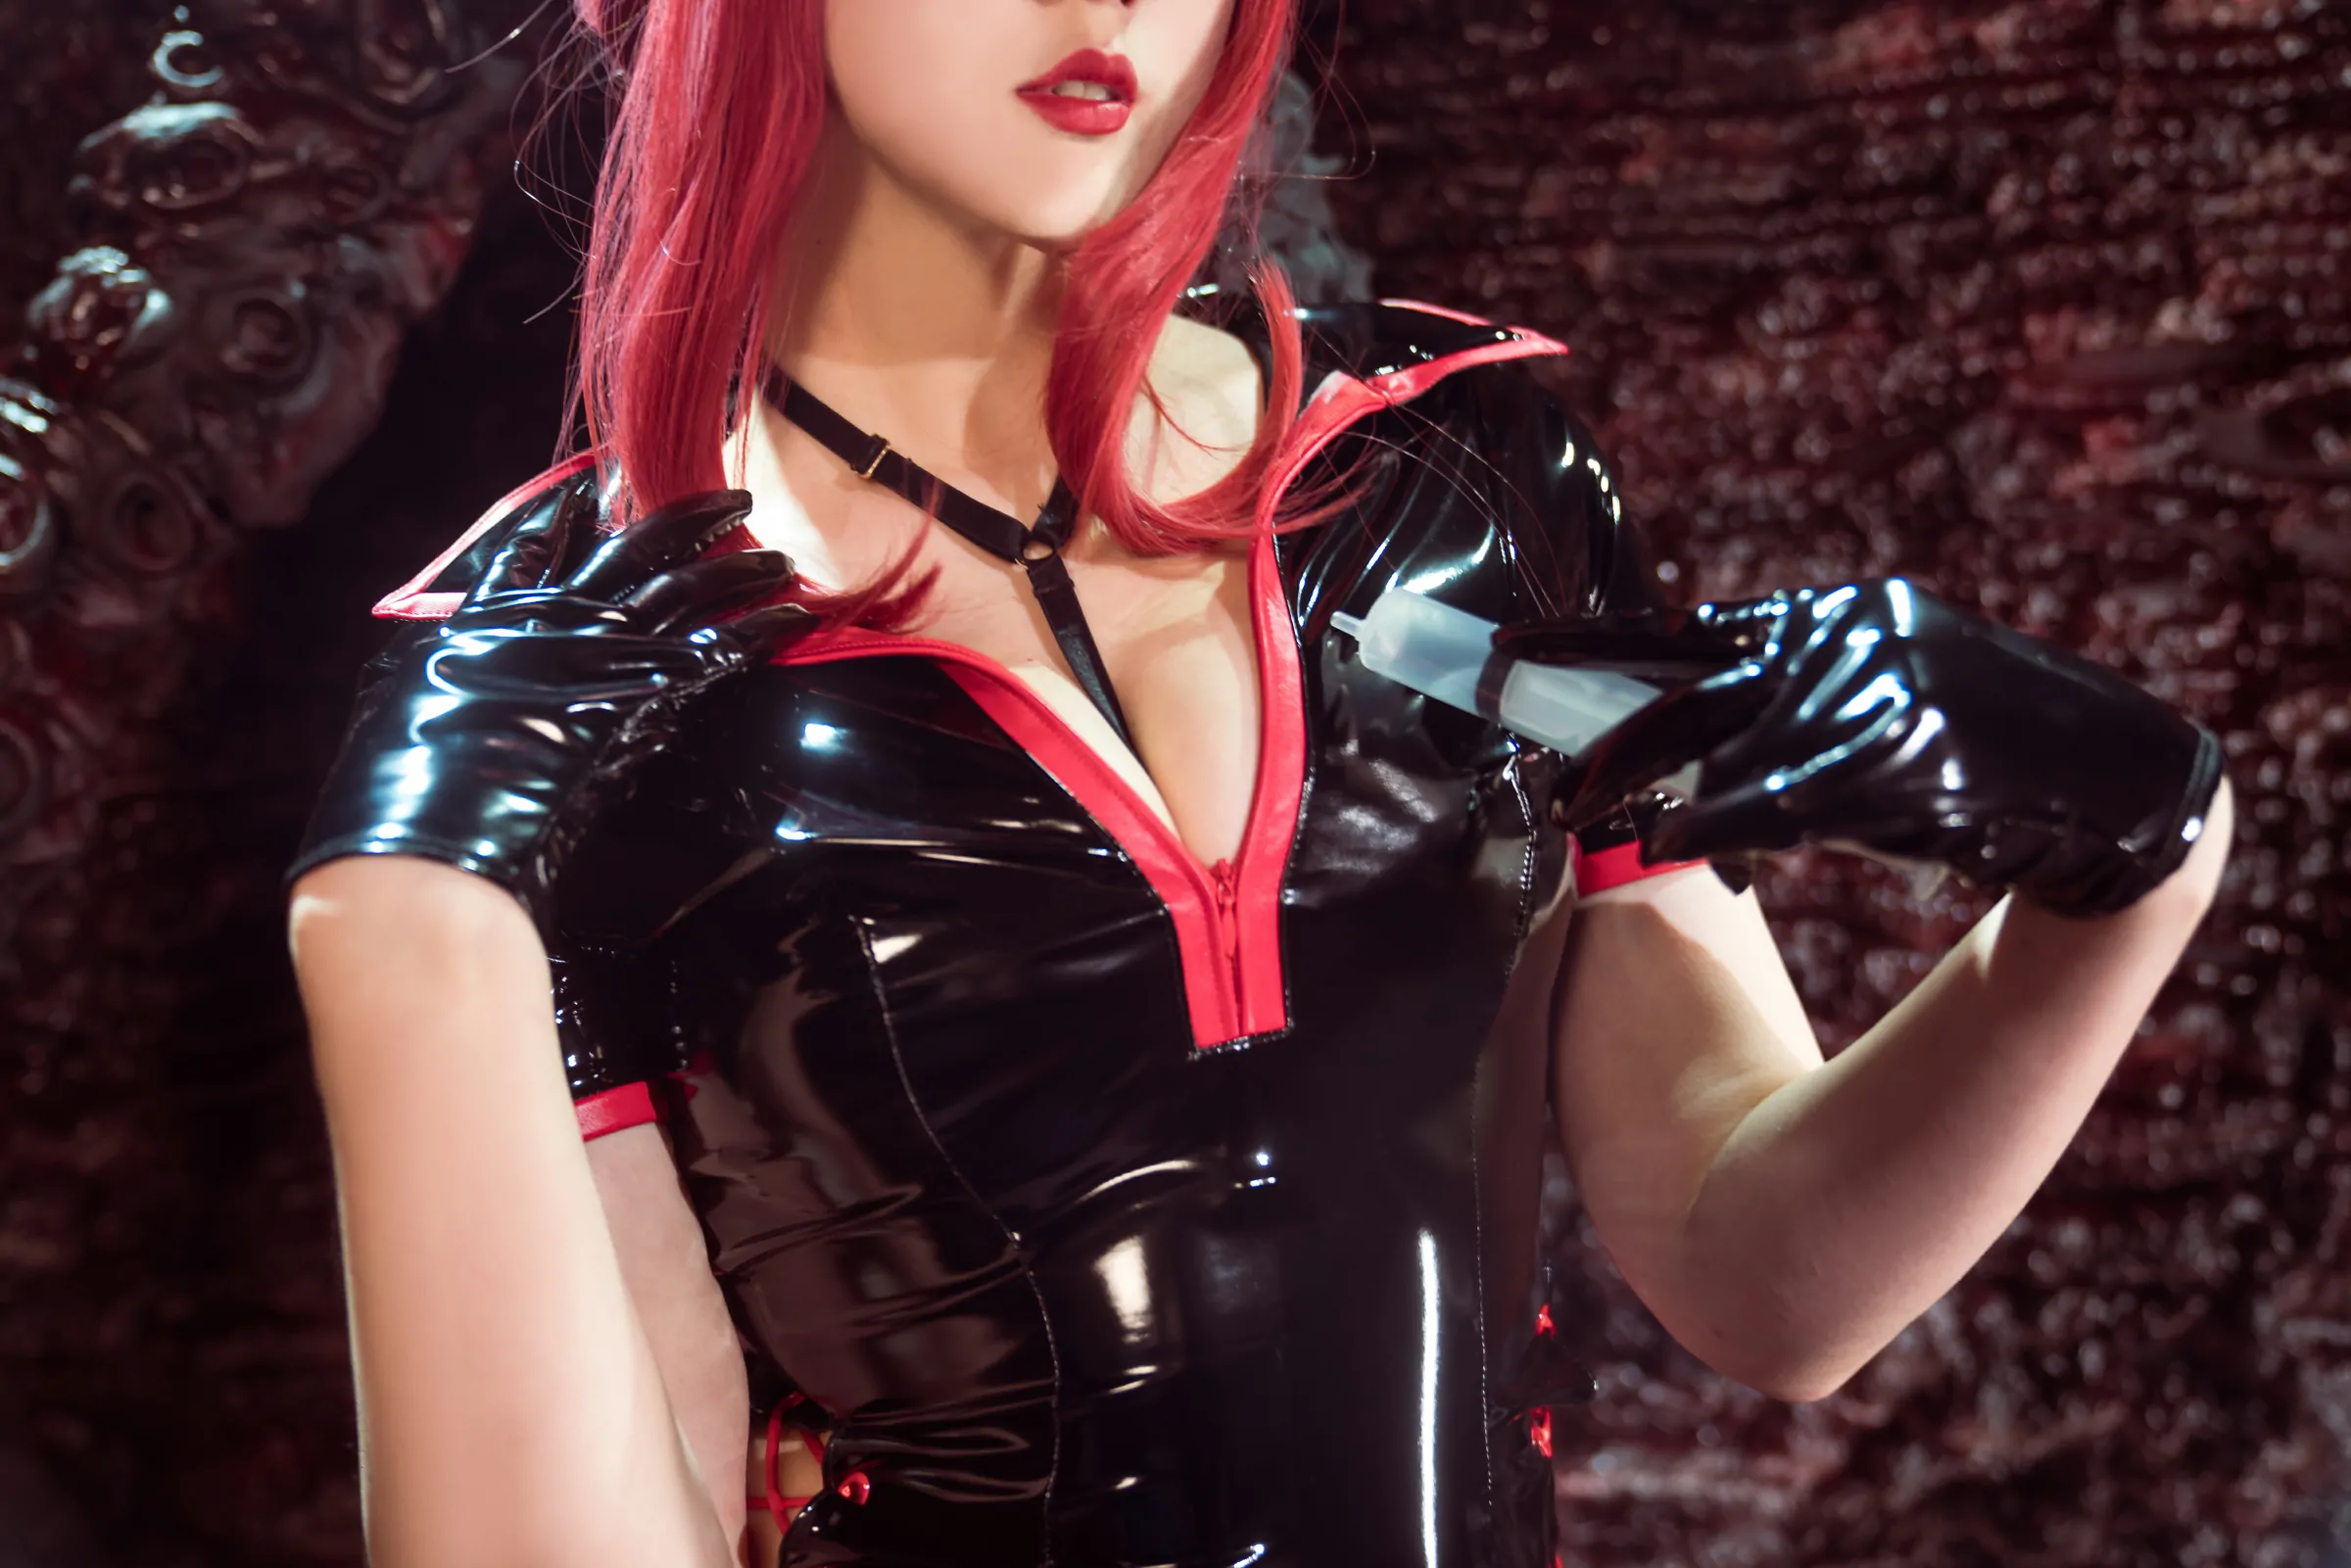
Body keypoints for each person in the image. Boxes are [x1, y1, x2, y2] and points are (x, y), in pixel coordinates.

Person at [283, 2, 2233, 1565]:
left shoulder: (1455, 495)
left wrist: (2138, 853)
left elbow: (1763, 1270)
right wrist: (405, 934)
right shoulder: (563, 673)